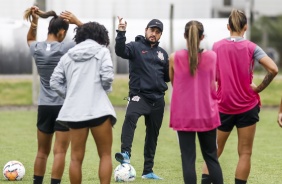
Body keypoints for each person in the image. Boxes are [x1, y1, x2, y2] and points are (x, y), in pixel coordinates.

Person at [201, 9, 278, 184]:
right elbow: (273, 69)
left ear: (228, 26)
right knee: (245, 153)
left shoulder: (217, 46)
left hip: (223, 106)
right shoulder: (252, 47)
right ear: (246, 27)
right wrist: (257, 89)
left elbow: (212, 76)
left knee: (213, 152)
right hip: (247, 107)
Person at [50, 21, 116, 184]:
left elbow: (54, 81)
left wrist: (71, 95)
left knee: (75, 158)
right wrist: (104, 90)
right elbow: (107, 77)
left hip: (74, 112)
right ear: (100, 37)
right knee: (105, 155)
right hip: (99, 110)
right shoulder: (102, 51)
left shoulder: (67, 56)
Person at [24, 6, 82, 184]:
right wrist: (77, 22)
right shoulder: (68, 47)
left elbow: (30, 38)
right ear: (62, 32)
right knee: (60, 151)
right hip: (64, 106)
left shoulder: (37, 48)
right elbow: (94, 38)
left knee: (42, 152)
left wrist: (35, 21)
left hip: (44, 106)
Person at [114, 17, 170, 180]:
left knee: (153, 135)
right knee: (130, 118)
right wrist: (121, 32)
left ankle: (148, 170)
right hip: (139, 96)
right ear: (146, 30)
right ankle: (125, 154)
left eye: (157, 32)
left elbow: (166, 77)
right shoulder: (135, 47)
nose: (154, 34)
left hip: (158, 99)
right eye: (151, 30)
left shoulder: (163, 54)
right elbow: (120, 51)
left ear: (160, 35)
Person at [169, 20, 223, 184]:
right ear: (202, 37)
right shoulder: (213, 57)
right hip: (207, 114)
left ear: (185, 36)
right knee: (211, 158)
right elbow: (215, 81)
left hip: (184, 115)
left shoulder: (174, 58)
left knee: (188, 160)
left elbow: (174, 83)